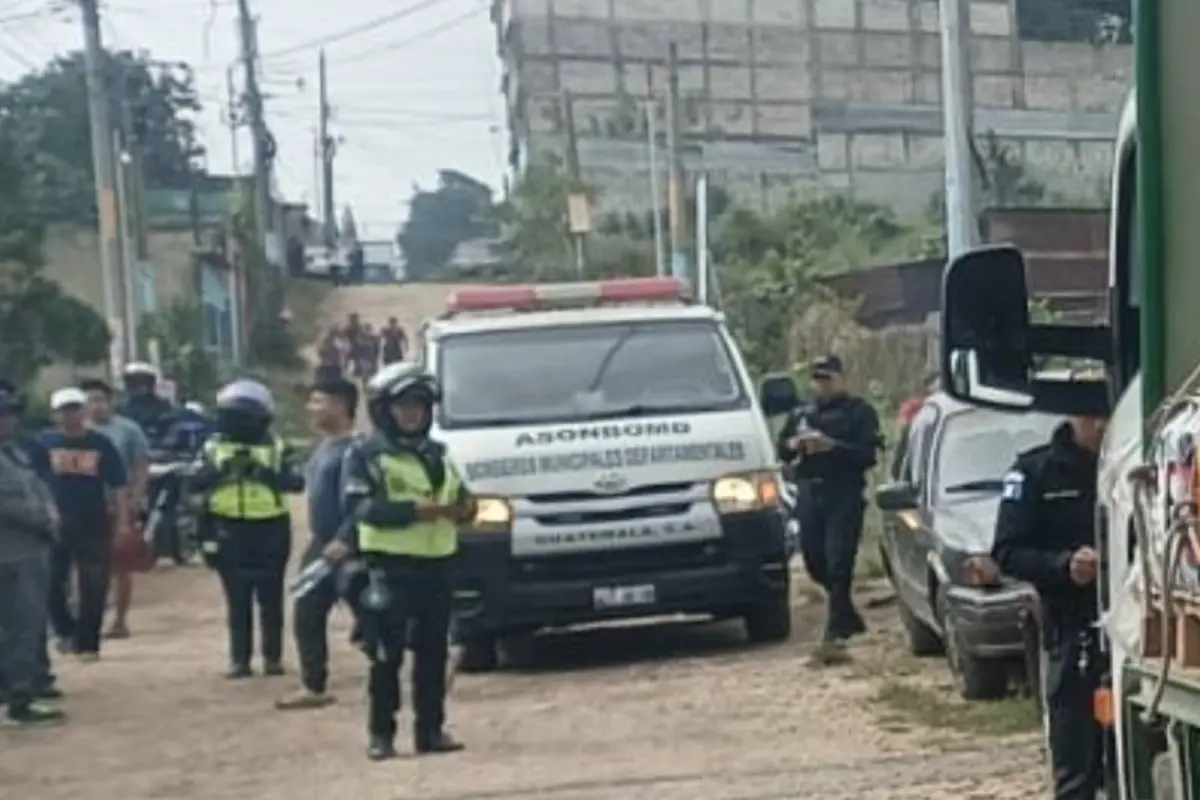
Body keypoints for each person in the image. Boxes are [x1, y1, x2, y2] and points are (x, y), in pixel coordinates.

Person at [323, 362, 472, 761]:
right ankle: (381, 735)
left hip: (438, 564)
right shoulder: (368, 455)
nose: (412, 414)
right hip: (390, 566)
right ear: (385, 410)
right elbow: (361, 508)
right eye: (404, 406)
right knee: (386, 655)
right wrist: (415, 512)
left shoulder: (439, 455)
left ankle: (431, 731)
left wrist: (465, 510)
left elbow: (463, 498)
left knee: (433, 653)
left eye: (420, 406)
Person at [992, 414, 1106, 799]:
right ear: (1074, 416)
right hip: (1074, 630)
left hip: (1138, 626)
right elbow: (1008, 552)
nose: (1103, 424)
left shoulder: (1133, 460)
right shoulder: (1034, 472)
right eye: (1094, 415)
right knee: (1076, 763)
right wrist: (1064, 566)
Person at [190, 380, 304, 678]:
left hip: (270, 528)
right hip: (227, 527)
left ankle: (272, 658)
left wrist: (264, 474)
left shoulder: (277, 446)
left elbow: (296, 482)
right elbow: (193, 482)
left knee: (271, 597)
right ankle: (239, 660)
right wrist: (221, 471)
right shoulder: (213, 447)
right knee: (236, 598)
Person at [776, 355, 881, 661]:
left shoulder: (860, 412)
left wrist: (833, 446)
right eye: (818, 379)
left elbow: (867, 455)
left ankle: (835, 630)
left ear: (842, 378)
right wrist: (796, 444)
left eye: (829, 379)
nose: (823, 385)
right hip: (810, 492)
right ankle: (846, 613)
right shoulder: (801, 414)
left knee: (839, 560)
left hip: (844, 491)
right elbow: (781, 449)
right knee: (815, 561)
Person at [275, 376, 360, 711]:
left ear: (340, 405)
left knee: (374, 615)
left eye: (318, 401)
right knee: (307, 611)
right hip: (321, 544)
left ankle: (431, 661)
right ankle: (313, 685)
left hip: (346, 545)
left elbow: (359, 501)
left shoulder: (354, 451)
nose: (311, 408)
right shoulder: (323, 447)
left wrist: (346, 538)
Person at [40, 388, 130, 661]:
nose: (71, 415)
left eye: (76, 408)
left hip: (93, 520)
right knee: (52, 581)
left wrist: (123, 522)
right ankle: (65, 631)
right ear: (56, 414)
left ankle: (88, 642)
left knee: (94, 583)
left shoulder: (101, 444)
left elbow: (117, 486)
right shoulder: (43, 444)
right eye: (65, 410)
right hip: (54, 521)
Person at [0, 382, 65, 725]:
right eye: (4, 415)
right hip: (10, 553)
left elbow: (38, 486)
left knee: (30, 624)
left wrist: (50, 511)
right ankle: (19, 699)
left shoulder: (14, 453)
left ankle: (18, 690)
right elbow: (8, 505)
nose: (9, 421)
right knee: (18, 628)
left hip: (30, 550)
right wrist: (43, 519)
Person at [80, 379, 150, 640]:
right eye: (90, 400)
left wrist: (136, 498)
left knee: (121, 564)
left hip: (120, 506)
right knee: (87, 565)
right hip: (86, 507)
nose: (96, 405)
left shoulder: (128, 430)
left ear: (111, 402)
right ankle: (89, 618)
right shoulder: (78, 433)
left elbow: (141, 465)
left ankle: (120, 620)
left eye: (100, 399)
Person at [119, 362, 173, 445]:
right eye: (134, 382)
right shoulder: (120, 409)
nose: (139, 386)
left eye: (144, 381)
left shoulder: (163, 408)